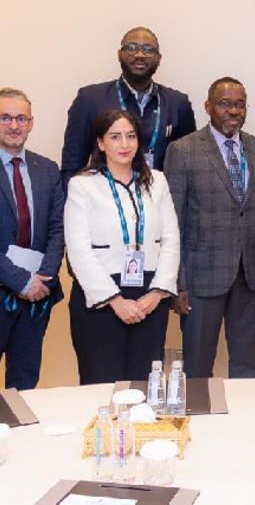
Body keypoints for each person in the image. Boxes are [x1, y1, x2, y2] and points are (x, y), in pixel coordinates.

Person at [164, 77, 255, 378]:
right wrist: (177, 283)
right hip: (200, 279)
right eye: (225, 104)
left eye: (240, 105)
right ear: (208, 107)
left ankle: (243, 411)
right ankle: (198, 410)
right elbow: (173, 223)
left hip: (250, 276)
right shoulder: (183, 150)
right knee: (198, 367)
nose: (234, 111)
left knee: (247, 366)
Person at [64, 109, 179, 384]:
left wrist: (157, 294)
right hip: (100, 299)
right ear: (101, 143)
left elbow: (171, 239)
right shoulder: (82, 185)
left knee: (144, 385)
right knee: (102, 385)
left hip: (149, 297)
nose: (124, 144)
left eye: (130, 136)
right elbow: (78, 250)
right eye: (115, 137)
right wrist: (115, 301)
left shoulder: (157, 181)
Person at [0, 88, 65, 390]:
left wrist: (43, 278)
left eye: (21, 118)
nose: (14, 125)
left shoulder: (47, 169)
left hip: (39, 294)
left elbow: (58, 228)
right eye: (5, 118)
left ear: (31, 123)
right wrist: (19, 280)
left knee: (25, 382)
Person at [60, 26, 196, 185]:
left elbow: (188, 165)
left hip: (159, 195)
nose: (140, 54)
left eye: (148, 49)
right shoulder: (90, 99)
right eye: (131, 48)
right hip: (104, 196)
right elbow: (72, 164)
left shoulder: (178, 103)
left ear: (159, 59)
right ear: (119, 54)